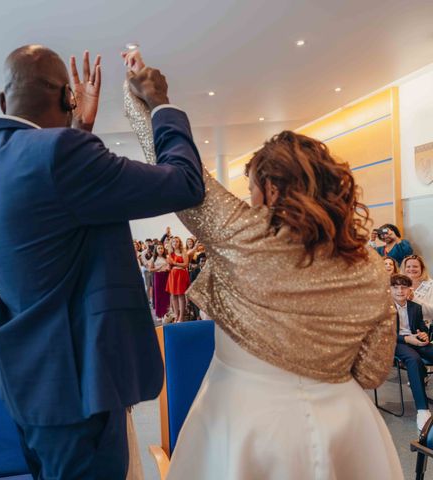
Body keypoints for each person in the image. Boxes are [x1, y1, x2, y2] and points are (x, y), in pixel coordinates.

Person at [123, 49, 401, 479]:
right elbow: (371, 370)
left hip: (246, 422)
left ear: (271, 189)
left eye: (251, 188)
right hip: (346, 427)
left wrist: (148, 99)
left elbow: (177, 169)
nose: (248, 199)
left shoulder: (239, 233)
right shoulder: (369, 268)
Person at [0, 45, 204, 478]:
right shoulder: (60, 155)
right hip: (75, 387)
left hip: (28, 381)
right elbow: (184, 184)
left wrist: (78, 130)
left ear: (3, 101)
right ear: (66, 99)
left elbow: (59, 217)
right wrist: (162, 104)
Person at [391, 273, 433, 430]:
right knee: (413, 359)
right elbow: (383, 335)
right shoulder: (383, 309)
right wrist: (407, 339)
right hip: (397, 342)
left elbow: (421, 327)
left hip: (415, 340)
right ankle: (422, 411)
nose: (400, 291)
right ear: (389, 290)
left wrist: (424, 334)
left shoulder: (416, 307)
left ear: (410, 290)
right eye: (395, 287)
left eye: (403, 287)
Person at [402, 254, 433, 325]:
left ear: (422, 268)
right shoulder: (400, 284)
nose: (411, 269)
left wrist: (414, 299)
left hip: (424, 328)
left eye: (415, 266)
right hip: (403, 328)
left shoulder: (431, 285)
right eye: (408, 266)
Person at [166, 236, 190, 323]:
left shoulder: (183, 252)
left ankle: (181, 317)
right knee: (173, 295)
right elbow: (169, 266)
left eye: (176, 242)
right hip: (173, 275)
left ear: (179, 243)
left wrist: (175, 263)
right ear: (171, 244)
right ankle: (176, 315)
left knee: (180, 295)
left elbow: (186, 264)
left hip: (181, 274)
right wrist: (168, 266)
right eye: (173, 242)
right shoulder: (170, 254)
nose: (175, 243)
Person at [149, 243, 170, 320]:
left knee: (166, 294)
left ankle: (166, 313)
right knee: (158, 295)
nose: (160, 249)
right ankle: (159, 314)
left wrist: (168, 269)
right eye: (159, 248)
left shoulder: (167, 257)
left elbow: (169, 266)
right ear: (156, 250)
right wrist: (158, 268)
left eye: (162, 248)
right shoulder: (153, 258)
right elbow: (150, 269)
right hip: (158, 276)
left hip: (166, 276)